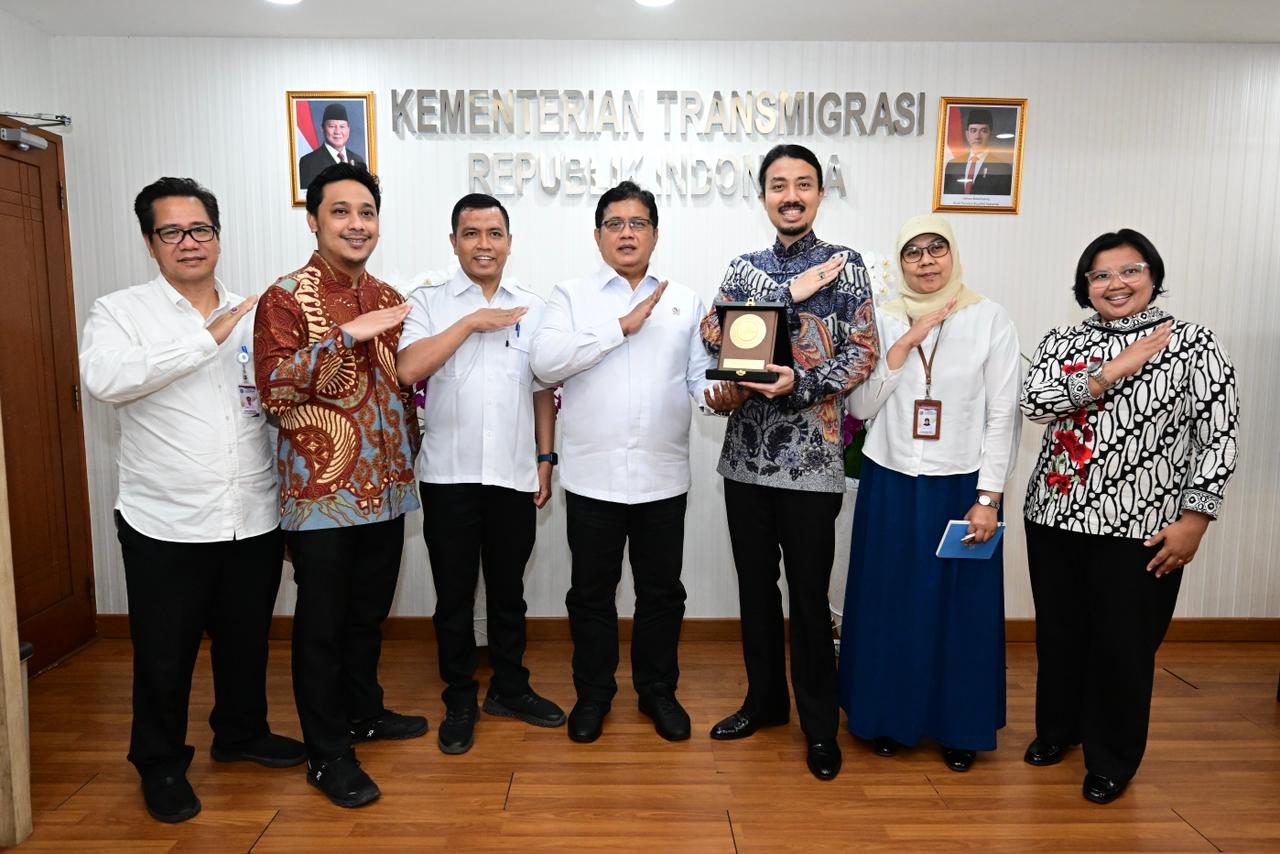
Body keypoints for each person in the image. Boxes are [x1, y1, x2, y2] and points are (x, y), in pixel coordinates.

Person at [80, 177, 305, 823]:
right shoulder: (120, 312)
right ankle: (159, 763)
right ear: (150, 242)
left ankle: (241, 733)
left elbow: (276, 399)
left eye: (200, 228)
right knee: (164, 654)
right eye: (171, 231)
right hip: (165, 521)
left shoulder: (257, 312)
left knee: (246, 642)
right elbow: (105, 379)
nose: (188, 242)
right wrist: (206, 339)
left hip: (251, 513)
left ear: (218, 236)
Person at [1020, 228, 1239, 804]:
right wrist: (1115, 368)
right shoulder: (1063, 339)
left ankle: (1112, 757)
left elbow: (1219, 436)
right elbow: (1034, 403)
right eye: (1100, 275)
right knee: (1060, 635)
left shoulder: (1194, 343)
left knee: (1123, 644)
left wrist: (1197, 518)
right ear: (1085, 285)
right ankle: (1059, 730)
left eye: (1129, 270)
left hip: (1141, 526)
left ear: (1153, 275)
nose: (1115, 283)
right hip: (1054, 516)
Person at [701, 144, 878, 781]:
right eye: (779, 185)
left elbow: (863, 352)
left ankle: (820, 726)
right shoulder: (744, 268)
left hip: (811, 462)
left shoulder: (845, 265)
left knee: (807, 597)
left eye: (803, 184)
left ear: (820, 195)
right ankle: (764, 702)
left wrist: (798, 385)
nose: (791, 195)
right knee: (755, 591)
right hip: (744, 461)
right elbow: (712, 332)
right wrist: (787, 294)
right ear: (763, 197)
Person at [254, 162, 426, 809]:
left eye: (367, 212)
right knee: (322, 628)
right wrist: (345, 338)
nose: (357, 224)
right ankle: (327, 754)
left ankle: (364, 714)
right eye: (341, 212)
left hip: (389, 489)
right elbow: (274, 388)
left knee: (367, 617)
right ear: (314, 220)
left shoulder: (389, 295)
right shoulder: (285, 297)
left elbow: (403, 385)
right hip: (322, 496)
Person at [529, 180, 716, 745]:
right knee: (591, 594)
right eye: (615, 224)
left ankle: (658, 691)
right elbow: (544, 364)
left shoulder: (685, 301)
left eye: (638, 223)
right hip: (593, 478)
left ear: (655, 234)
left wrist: (723, 395)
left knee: (662, 593)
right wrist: (619, 327)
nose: (627, 233)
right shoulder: (569, 296)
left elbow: (698, 379)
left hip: (663, 476)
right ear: (598, 236)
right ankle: (593, 695)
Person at [837, 214, 1022, 773]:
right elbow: (859, 408)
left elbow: (1003, 415)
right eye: (912, 252)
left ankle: (957, 726)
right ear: (900, 261)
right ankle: (885, 718)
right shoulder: (882, 318)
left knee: (958, 610)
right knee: (888, 602)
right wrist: (902, 348)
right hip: (890, 480)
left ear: (953, 254)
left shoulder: (990, 318)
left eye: (936, 249)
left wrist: (988, 498)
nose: (925, 261)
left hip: (961, 484)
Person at [396, 193, 565, 755]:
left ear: (509, 242)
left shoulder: (534, 306)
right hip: (449, 476)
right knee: (454, 595)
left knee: (509, 592)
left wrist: (545, 460)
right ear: (454, 242)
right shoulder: (427, 302)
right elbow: (408, 369)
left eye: (494, 234)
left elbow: (543, 389)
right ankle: (460, 696)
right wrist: (470, 322)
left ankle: (510, 689)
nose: (483, 245)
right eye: (471, 234)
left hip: (514, 474)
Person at [298, 103, 368, 191]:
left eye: (342, 126)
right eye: (332, 126)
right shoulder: (308, 162)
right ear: (322, 129)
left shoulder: (358, 160)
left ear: (348, 129)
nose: (337, 131)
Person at [942, 108, 1012, 196]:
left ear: (991, 135)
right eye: (973, 130)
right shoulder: (952, 165)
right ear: (967, 134)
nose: (977, 136)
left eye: (983, 131)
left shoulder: (1003, 168)